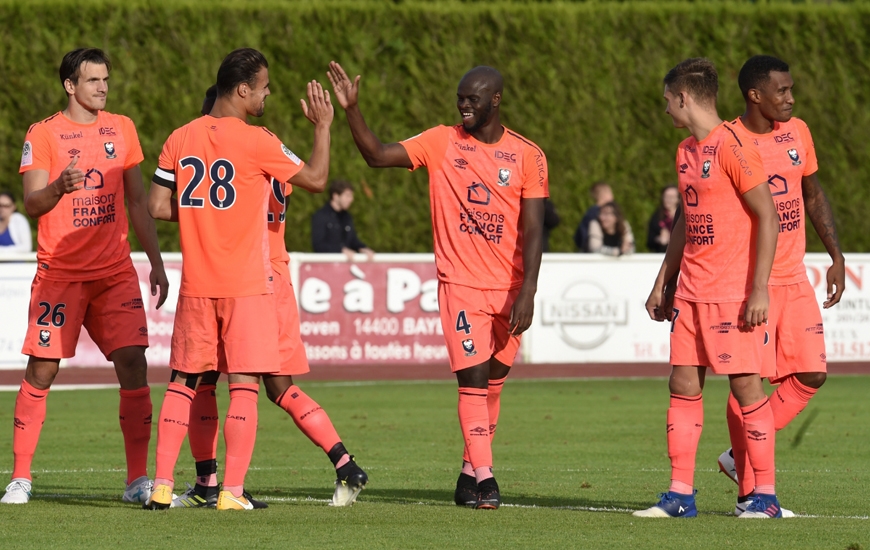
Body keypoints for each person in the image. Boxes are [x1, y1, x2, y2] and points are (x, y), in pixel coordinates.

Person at [327, 60, 548, 510]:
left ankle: (468, 474)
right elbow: (376, 154)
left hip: (509, 288)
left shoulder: (529, 155)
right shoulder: (441, 141)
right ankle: (486, 478)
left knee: (495, 382)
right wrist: (352, 109)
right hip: (460, 284)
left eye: (474, 98)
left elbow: (537, 229)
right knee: (473, 379)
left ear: (496, 100)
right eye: (460, 98)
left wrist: (528, 291)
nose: (464, 105)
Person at [144, 48, 333, 511]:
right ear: (243, 89)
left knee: (181, 383)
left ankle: (163, 487)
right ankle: (231, 493)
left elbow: (155, 207)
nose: (268, 94)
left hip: (197, 285)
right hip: (246, 286)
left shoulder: (179, 136)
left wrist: (199, 216)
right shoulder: (258, 140)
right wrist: (324, 128)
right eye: (265, 87)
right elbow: (316, 179)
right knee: (244, 385)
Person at [168, 85, 368, 509]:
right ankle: (342, 464)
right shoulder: (270, 149)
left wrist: (325, 130)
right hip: (266, 273)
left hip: (251, 278)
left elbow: (305, 182)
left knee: (225, 381)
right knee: (272, 386)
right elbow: (301, 178)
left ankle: (216, 483)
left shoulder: (240, 148)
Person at [2, 48, 169, 505]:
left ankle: (137, 481)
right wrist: (59, 187)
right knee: (43, 367)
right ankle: (20, 477)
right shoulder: (43, 134)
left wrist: (154, 261)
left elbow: (138, 203)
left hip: (115, 271)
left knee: (134, 363)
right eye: (93, 80)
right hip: (61, 273)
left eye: (106, 80)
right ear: (70, 86)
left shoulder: (123, 128)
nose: (102, 88)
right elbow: (33, 202)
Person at [638, 58, 782, 519]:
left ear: (684, 97)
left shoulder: (734, 147)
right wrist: (665, 280)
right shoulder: (685, 151)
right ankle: (680, 494)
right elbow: (685, 219)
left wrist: (758, 289)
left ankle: (765, 497)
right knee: (681, 384)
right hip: (691, 293)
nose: (665, 110)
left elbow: (769, 216)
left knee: (746, 390)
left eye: (667, 101)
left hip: (732, 293)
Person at [715, 55, 845, 515]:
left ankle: (738, 456)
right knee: (747, 387)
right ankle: (751, 495)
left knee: (813, 374)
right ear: (755, 95)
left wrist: (835, 255)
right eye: (782, 91)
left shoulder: (799, 132)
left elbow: (811, 193)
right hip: (753, 283)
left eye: (791, 90)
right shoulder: (727, 141)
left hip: (795, 276)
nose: (791, 98)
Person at [311, 179, 375, 261]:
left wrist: (363, 248)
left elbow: (352, 240)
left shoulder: (347, 217)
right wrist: (340, 250)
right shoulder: (321, 216)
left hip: (344, 267)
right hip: (327, 266)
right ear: (336, 196)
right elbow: (318, 245)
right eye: (347, 196)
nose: (351, 199)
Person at [573, 181, 612, 251]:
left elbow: (577, 237)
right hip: (592, 253)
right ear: (604, 195)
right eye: (610, 193)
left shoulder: (590, 212)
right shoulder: (595, 213)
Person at [646, 185, 679, 253]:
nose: (668, 200)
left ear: (678, 199)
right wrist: (659, 239)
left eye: (671, 197)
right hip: (662, 255)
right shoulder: (657, 217)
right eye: (666, 197)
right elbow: (650, 241)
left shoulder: (682, 216)